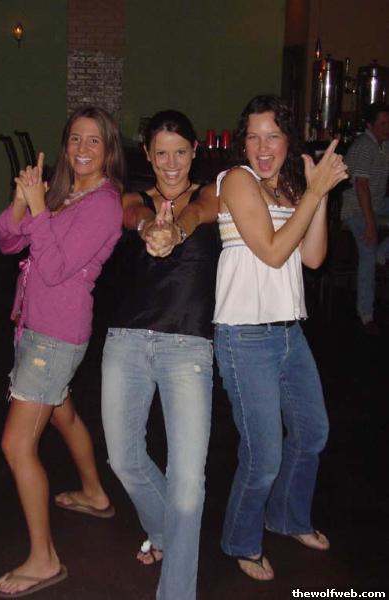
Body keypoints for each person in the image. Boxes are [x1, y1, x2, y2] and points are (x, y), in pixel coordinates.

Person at [213, 95, 348, 581]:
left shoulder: (289, 189)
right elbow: (272, 252)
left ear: (289, 141)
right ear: (242, 143)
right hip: (244, 337)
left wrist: (318, 193)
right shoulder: (237, 180)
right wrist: (314, 194)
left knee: (312, 433)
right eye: (253, 136)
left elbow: (311, 257)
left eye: (272, 135)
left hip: (290, 333)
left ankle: (288, 517)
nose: (262, 146)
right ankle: (241, 540)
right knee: (263, 455)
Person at [0, 106, 124, 598]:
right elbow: (9, 242)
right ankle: (93, 492)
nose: (82, 149)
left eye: (94, 141)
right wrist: (21, 203)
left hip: (55, 336)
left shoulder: (104, 205)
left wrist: (39, 209)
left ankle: (44, 559)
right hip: (35, 327)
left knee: (16, 444)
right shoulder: (66, 192)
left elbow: (52, 268)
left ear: (108, 149)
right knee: (62, 414)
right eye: (75, 139)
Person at [101, 110, 220, 600]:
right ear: (148, 156)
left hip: (187, 347)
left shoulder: (212, 194)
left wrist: (177, 231)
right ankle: (169, 534)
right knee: (123, 458)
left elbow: (200, 213)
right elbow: (132, 214)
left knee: (187, 483)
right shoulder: (133, 198)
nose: (171, 163)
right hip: (126, 342)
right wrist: (152, 225)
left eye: (180, 151)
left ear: (194, 151)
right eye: (161, 153)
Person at [341, 102, 389, 335]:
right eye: (383, 123)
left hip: (377, 204)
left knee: (375, 250)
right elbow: (361, 187)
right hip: (356, 209)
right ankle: (366, 314)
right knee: (368, 252)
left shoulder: (385, 145)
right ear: (370, 125)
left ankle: (383, 252)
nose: (387, 127)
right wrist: (371, 224)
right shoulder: (364, 146)